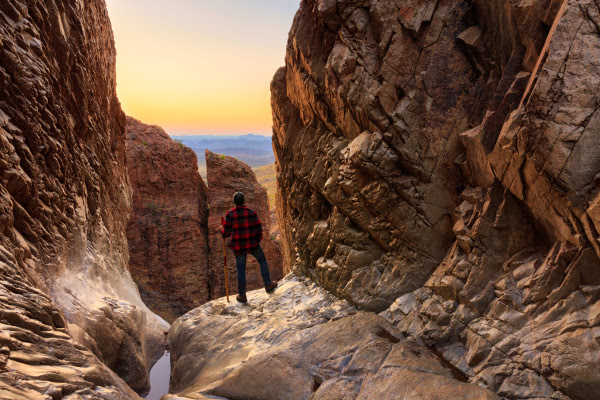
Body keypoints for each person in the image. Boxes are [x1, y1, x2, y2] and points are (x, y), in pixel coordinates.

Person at [221, 192, 277, 303]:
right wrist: (257, 240)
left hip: (238, 247)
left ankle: (242, 295)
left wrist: (221, 231)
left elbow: (226, 233)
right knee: (262, 261)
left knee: (241, 269)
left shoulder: (230, 215)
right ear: (244, 201)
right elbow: (259, 228)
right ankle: (268, 285)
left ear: (234, 202)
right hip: (253, 244)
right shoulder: (252, 213)